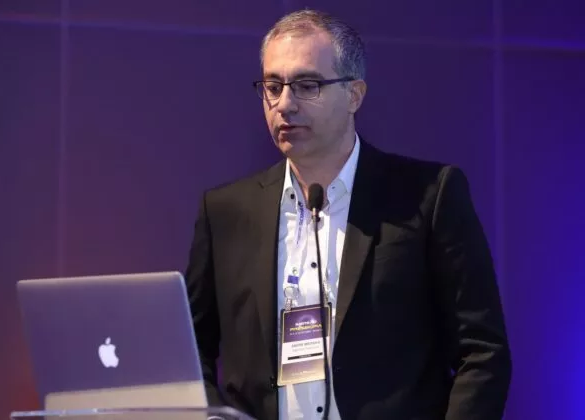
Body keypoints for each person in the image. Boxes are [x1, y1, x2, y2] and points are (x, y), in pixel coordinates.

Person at [184, 9, 511, 420]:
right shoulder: (226, 212)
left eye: (307, 85)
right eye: (273, 86)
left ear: (354, 95)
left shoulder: (427, 197)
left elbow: (482, 352)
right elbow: (189, 348)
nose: (284, 104)